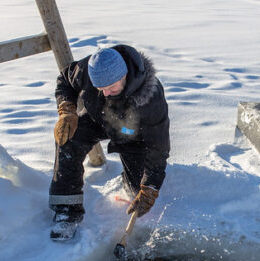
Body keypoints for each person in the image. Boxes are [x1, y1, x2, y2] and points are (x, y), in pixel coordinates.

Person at [49, 44, 170, 240]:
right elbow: (65, 80)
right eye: (100, 89)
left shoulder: (150, 97)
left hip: (134, 136)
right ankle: (67, 211)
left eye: (111, 88)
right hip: (100, 119)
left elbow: (158, 147)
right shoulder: (87, 70)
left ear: (124, 77)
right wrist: (66, 110)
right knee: (69, 136)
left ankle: (131, 181)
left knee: (136, 192)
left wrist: (149, 189)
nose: (105, 93)